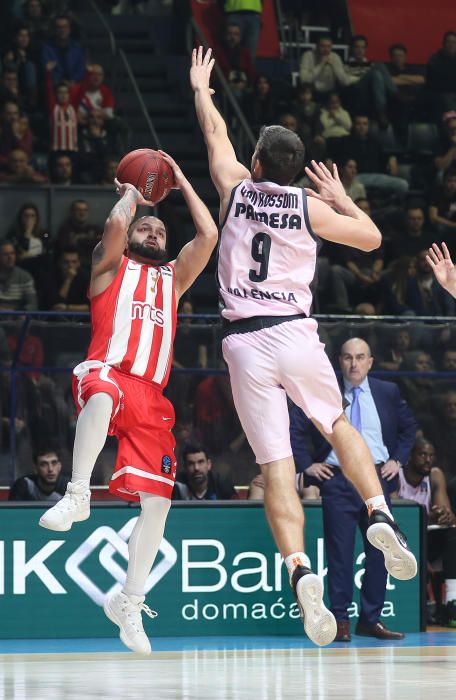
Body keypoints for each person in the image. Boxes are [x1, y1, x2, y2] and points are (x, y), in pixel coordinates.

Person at [190, 46, 417, 647]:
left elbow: (214, 133)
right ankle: (381, 513)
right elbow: (371, 239)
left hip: (243, 339)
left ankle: (299, 573)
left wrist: (201, 90)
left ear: (257, 159)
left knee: (277, 468)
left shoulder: (236, 188)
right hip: (294, 331)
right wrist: (340, 197)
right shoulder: (307, 206)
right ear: (295, 169)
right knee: (337, 423)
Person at [38, 150, 218, 654]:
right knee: (101, 387)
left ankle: (129, 601)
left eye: (161, 231)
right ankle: (77, 493)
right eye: (148, 229)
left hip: (152, 397)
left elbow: (208, 238)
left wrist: (179, 179)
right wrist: (134, 194)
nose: (155, 234)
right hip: (110, 373)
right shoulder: (108, 266)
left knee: (160, 503)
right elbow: (117, 228)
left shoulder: (172, 281)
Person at [290, 338, 416, 641]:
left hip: (377, 479)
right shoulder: (326, 391)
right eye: (348, 358)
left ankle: (371, 620)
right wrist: (307, 464)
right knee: (340, 553)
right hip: (338, 481)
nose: (354, 364)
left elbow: (408, 428)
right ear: (339, 361)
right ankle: (341, 620)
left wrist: (398, 460)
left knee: (382, 553)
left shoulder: (387, 392)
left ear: (370, 361)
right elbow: (295, 425)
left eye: (360, 357)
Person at [396, 438, 456, 627]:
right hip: (402, 541)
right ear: (410, 456)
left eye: (431, 456)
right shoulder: (396, 475)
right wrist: (425, 517)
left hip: (428, 539)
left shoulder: (435, 475)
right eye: (422, 454)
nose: (428, 459)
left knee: (453, 533)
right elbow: (396, 517)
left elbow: (446, 513)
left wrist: (445, 515)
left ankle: (451, 601)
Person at [172, 442, 238, 500]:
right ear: (185, 467)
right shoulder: (175, 485)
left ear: (209, 464)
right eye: (191, 463)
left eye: (200, 462)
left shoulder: (222, 485)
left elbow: (237, 510)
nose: (196, 468)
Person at [0, 241, 37, 311]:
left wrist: (18, 312)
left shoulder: (25, 277)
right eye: (5, 254)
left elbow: (33, 305)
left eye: (12, 253)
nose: (10, 257)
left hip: (16, 319)